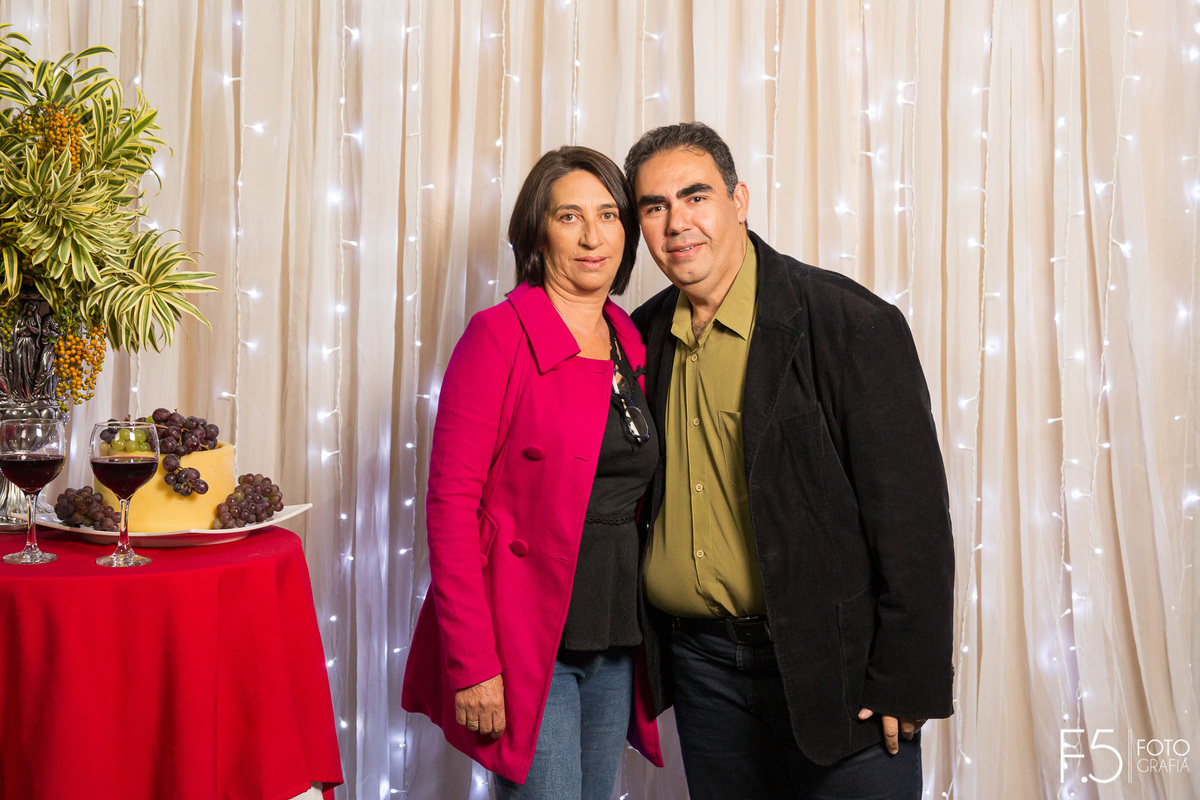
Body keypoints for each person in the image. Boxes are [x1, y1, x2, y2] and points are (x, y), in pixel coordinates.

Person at [625, 121, 954, 799]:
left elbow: (913, 519)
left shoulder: (847, 322)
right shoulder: (642, 336)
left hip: (839, 670)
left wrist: (906, 678)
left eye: (695, 196)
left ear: (739, 199)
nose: (677, 223)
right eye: (654, 207)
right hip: (703, 674)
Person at [402, 146, 664, 799]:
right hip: (527, 642)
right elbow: (450, 506)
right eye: (569, 216)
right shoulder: (498, 337)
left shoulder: (629, 338)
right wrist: (472, 663)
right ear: (536, 233)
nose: (592, 235)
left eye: (608, 214)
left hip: (615, 634)